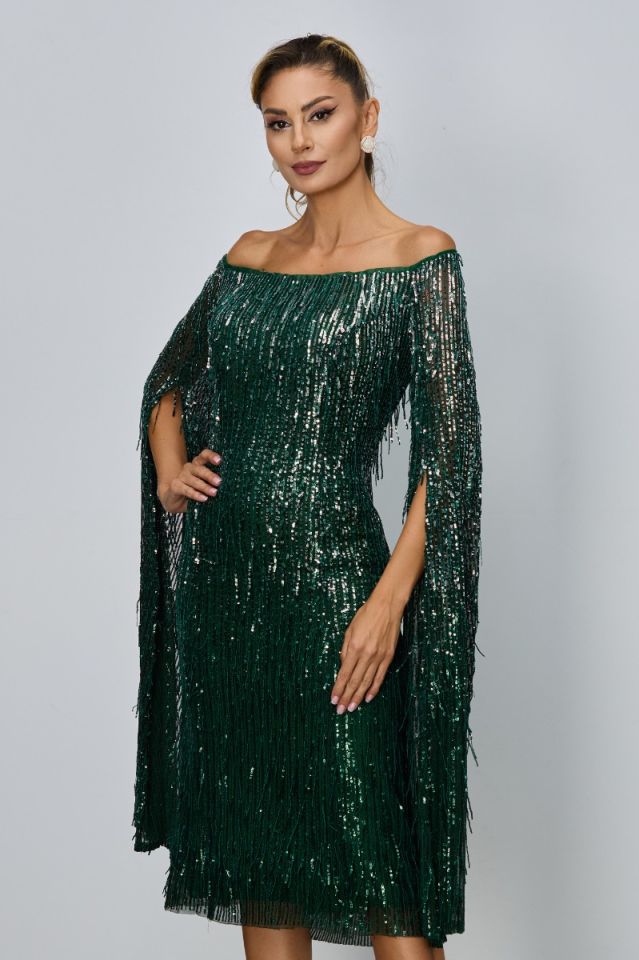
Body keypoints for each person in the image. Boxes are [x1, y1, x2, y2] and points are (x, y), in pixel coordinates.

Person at [132, 33, 483, 960]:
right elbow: (166, 382)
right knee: (263, 856)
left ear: (366, 118)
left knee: (383, 877)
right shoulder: (250, 256)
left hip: (337, 590)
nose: (298, 140)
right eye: (276, 122)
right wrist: (170, 468)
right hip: (228, 602)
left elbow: (448, 458)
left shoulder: (420, 259)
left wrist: (387, 604)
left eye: (318, 115)